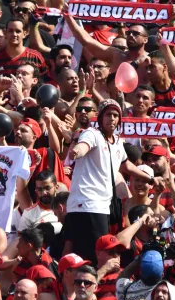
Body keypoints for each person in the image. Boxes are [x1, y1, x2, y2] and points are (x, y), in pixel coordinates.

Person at [65, 99, 163, 262]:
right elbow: (83, 146)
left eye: (116, 115)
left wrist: (151, 179)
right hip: (87, 204)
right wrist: (77, 151)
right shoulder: (92, 133)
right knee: (93, 256)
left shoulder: (117, 142)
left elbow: (127, 166)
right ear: (101, 117)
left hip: (102, 206)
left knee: (100, 253)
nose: (112, 118)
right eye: (108, 114)